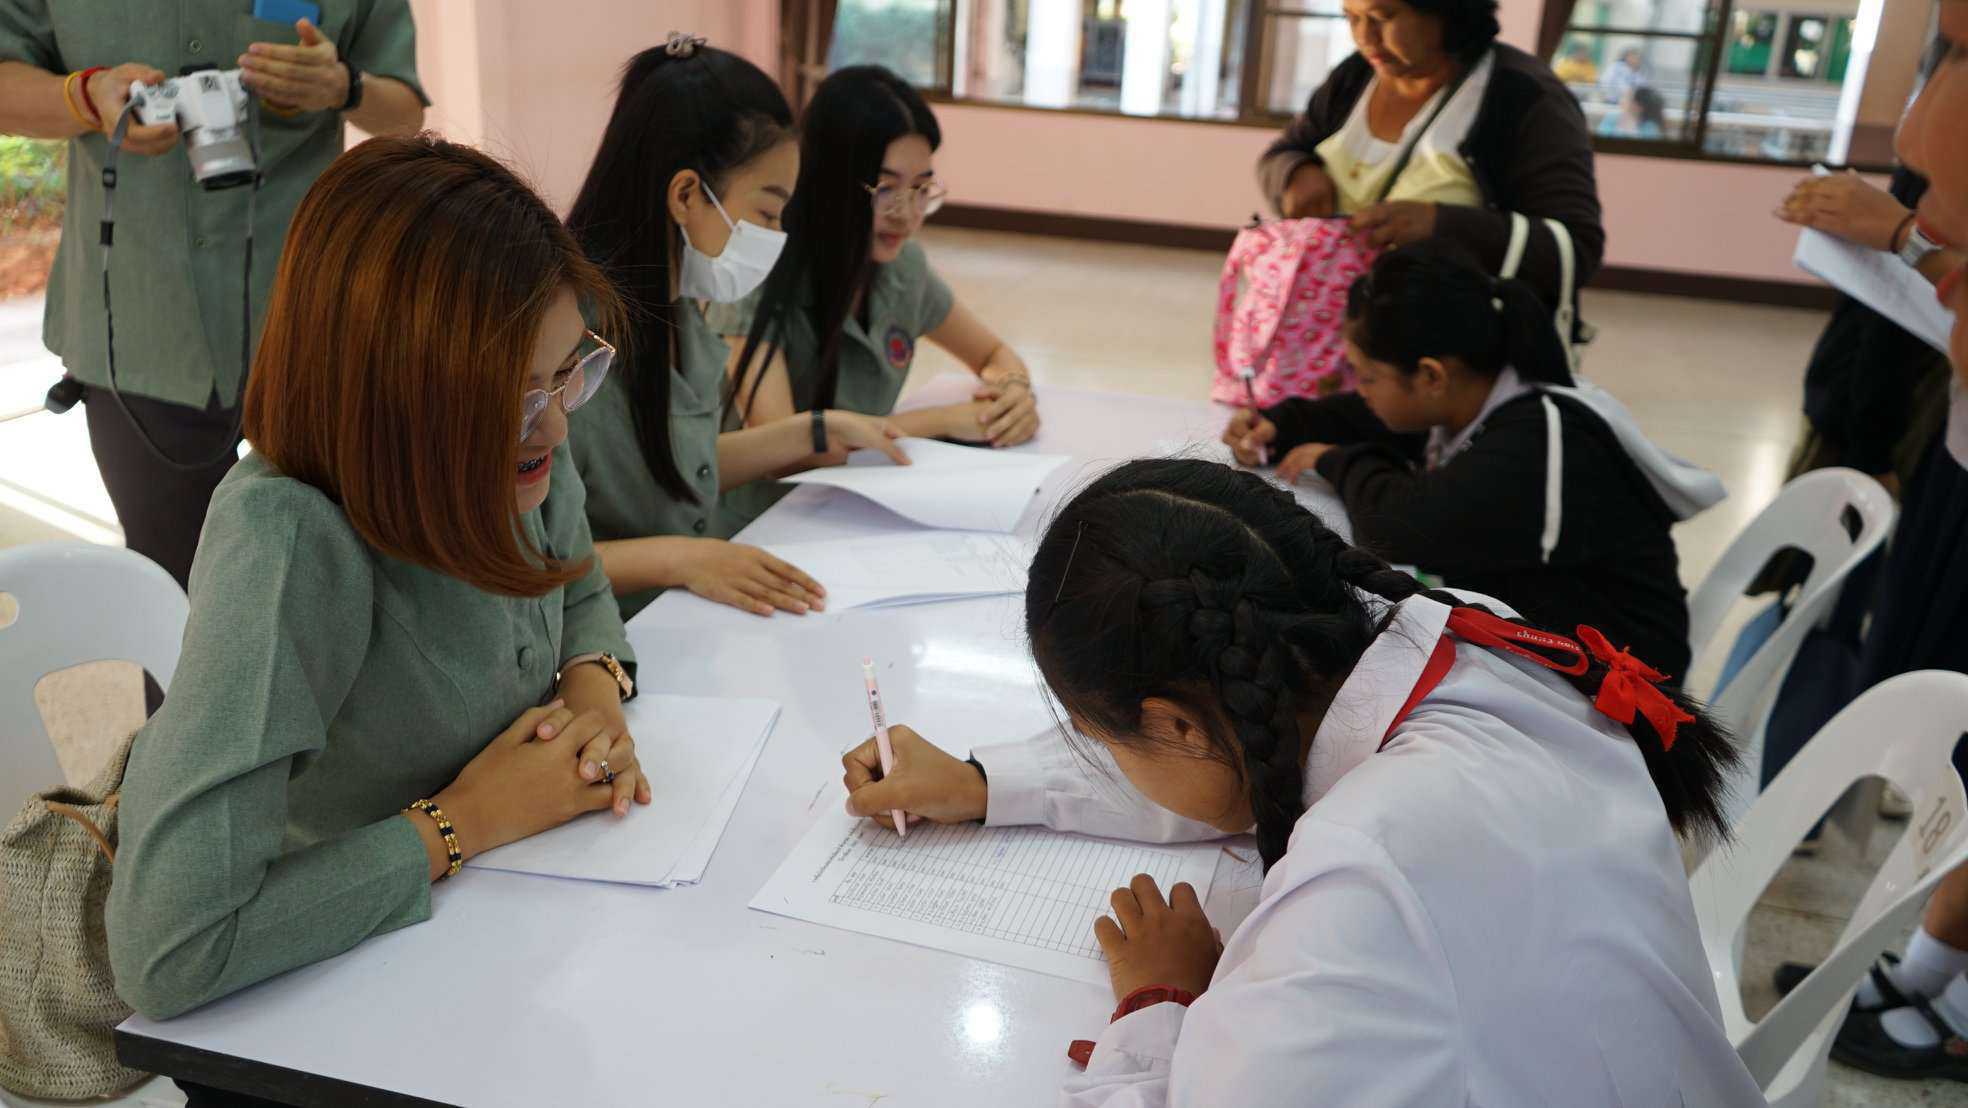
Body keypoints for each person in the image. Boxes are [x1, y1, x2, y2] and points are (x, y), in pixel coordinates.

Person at [838, 458, 1763, 1105]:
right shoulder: (1445, 632)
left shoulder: (1366, 876)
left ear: (1177, 724)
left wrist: (1159, 1004)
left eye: (1099, 738)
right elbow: (1234, 759)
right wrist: (983, 780)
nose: (1103, 757)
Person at [105, 136, 651, 1075]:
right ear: (395, 395)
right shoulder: (291, 543)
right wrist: (463, 822)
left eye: (567, 373)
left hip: (495, 959)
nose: (558, 422)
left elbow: (578, 582)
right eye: (518, 394)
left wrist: (594, 698)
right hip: (325, 1016)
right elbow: (170, 950)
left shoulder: (519, 452)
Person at [0, 2, 426, 589]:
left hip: (314, 326)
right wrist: (85, 98)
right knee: (174, 592)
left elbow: (404, 113)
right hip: (139, 327)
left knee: (345, 584)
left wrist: (342, 86)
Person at [1220, 246, 1719, 677]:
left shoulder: (1540, 441)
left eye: (1367, 376)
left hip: (1618, 683)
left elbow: (1399, 525)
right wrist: (1284, 424)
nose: (1361, 390)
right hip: (1545, 643)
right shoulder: (1480, 386)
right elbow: (1373, 417)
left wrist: (1337, 460)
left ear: (1432, 376)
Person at [563, 35, 908, 621]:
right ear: (686, 194)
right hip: (604, 635)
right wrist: (682, 559)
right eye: (767, 212)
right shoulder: (567, 342)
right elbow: (525, 558)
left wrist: (816, 430)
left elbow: (677, 466)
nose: (775, 235)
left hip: (678, 615)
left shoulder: (674, 308)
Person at [1794, 0, 1968, 1080]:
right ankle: (1933, 965)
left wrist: (1908, 236)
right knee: (1953, 746)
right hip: (1955, 466)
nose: (1911, 132)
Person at [720, 65, 1041, 531]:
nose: (906, 214)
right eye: (885, 188)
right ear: (828, 180)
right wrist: (940, 420)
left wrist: (1011, 394)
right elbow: (785, 453)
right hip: (759, 522)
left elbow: (993, 354)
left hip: (858, 504)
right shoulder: (759, 273)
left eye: (921, 189)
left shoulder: (902, 268)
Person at [1257, 0, 1602, 320]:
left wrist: (1442, 226)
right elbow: (1284, 152)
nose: (1364, 37)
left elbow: (1576, 249)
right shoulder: (1355, 76)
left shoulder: (1523, 96)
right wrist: (1294, 173)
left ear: (1445, 11)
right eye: (1352, 17)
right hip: (1330, 336)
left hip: (1453, 345)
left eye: (1382, 17)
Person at [1598, 85, 1667, 139]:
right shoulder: (1611, 118)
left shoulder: (1650, 127)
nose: (1621, 100)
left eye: (1626, 97)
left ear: (1638, 106)